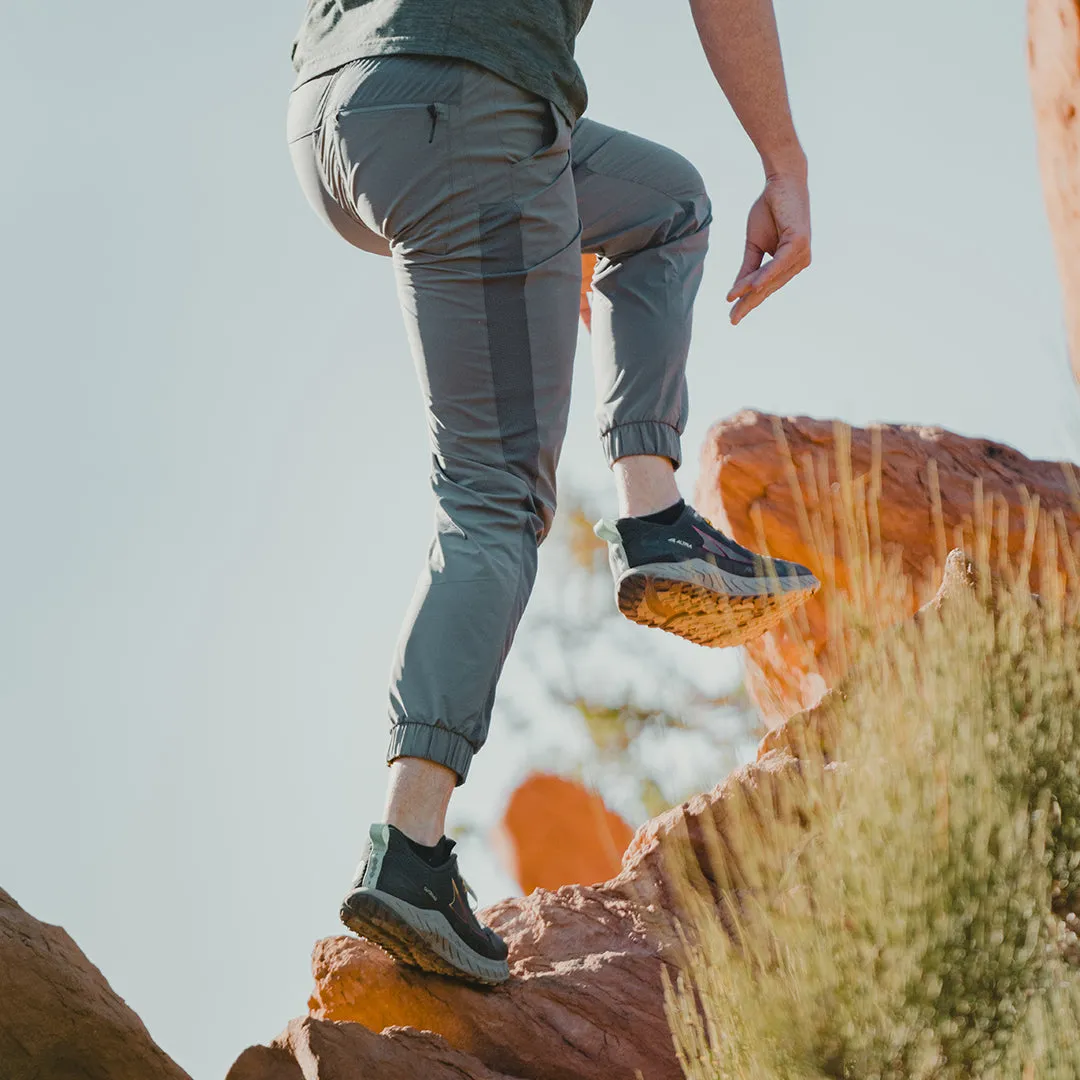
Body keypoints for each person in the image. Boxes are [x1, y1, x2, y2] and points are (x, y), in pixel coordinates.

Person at [285, 0, 818, 985]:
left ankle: (656, 522)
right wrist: (783, 159)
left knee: (665, 205)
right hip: (468, 98)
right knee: (491, 499)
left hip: (336, 110)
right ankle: (409, 848)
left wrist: (527, 185)